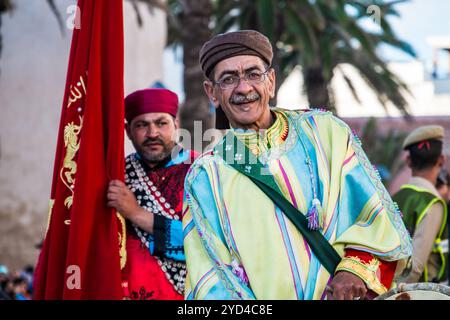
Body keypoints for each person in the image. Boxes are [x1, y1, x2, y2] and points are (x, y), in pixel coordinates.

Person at [182, 30, 412, 300]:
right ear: (212, 92)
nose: (243, 88)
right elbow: (209, 277)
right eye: (228, 79)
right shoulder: (205, 176)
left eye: (254, 74)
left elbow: (376, 220)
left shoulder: (327, 133)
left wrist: (354, 270)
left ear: (271, 81)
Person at [107, 88, 197, 300]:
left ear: (176, 125)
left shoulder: (202, 170)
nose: (152, 133)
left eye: (161, 123)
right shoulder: (115, 176)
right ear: (128, 131)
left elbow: (208, 242)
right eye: (142, 125)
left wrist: (136, 213)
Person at [393, 125, 447, 284]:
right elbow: (414, 268)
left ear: (408, 161)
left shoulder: (393, 198)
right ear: (442, 159)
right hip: (418, 292)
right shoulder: (432, 203)